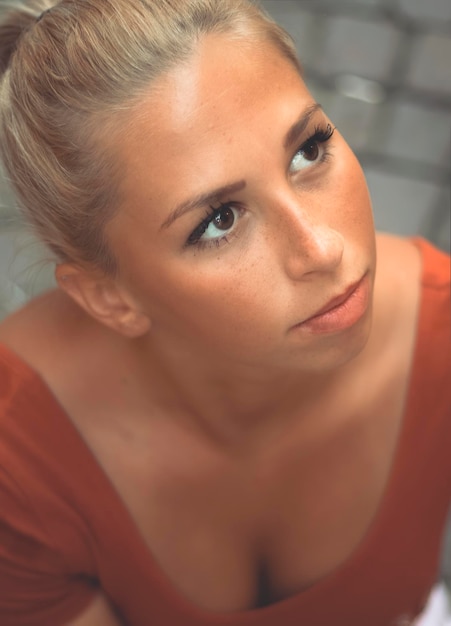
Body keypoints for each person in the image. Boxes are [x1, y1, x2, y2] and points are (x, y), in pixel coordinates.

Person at [0, 0, 449, 624]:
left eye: (308, 151)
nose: (321, 249)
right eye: (219, 221)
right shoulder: (19, 458)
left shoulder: (440, 336)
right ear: (110, 297)